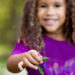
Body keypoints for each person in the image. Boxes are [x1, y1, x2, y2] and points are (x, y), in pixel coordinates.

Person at [7, 0, 75, 74]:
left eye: (57, 5)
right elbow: (11, 65)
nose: (50, 12)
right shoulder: (31, 41)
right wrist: (23, 57)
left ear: (68, 8)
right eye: (43, 6)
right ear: (34, 10)